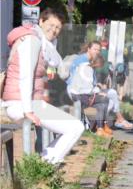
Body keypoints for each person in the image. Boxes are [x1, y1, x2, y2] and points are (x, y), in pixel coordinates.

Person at [2, 9, 85, 165]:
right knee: (75, 127)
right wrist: (28, 111)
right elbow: (25, 77)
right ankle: (44, 165)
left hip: (29, 102)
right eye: (51, 25)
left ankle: (43, 164)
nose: (53, 30)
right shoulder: (32, 41)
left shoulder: (43, 44)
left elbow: (59, 65)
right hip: (21, 103)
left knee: (72, 127)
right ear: (41, 21)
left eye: (57, 28)